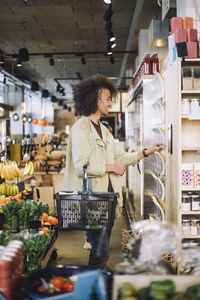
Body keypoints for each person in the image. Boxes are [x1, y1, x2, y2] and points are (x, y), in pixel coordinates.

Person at [62, 74, 165, 269]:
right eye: (107, 98)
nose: (111, 103)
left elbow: (119, 157)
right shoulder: (80, 128)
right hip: (92, 199)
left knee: (102, 248)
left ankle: (96, 282)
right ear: (94, 99)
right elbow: (81, 166)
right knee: (101, 250)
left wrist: (146, 151)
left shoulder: (103, 129)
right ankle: (95, 285)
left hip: (107, 199)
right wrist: (111, 168)